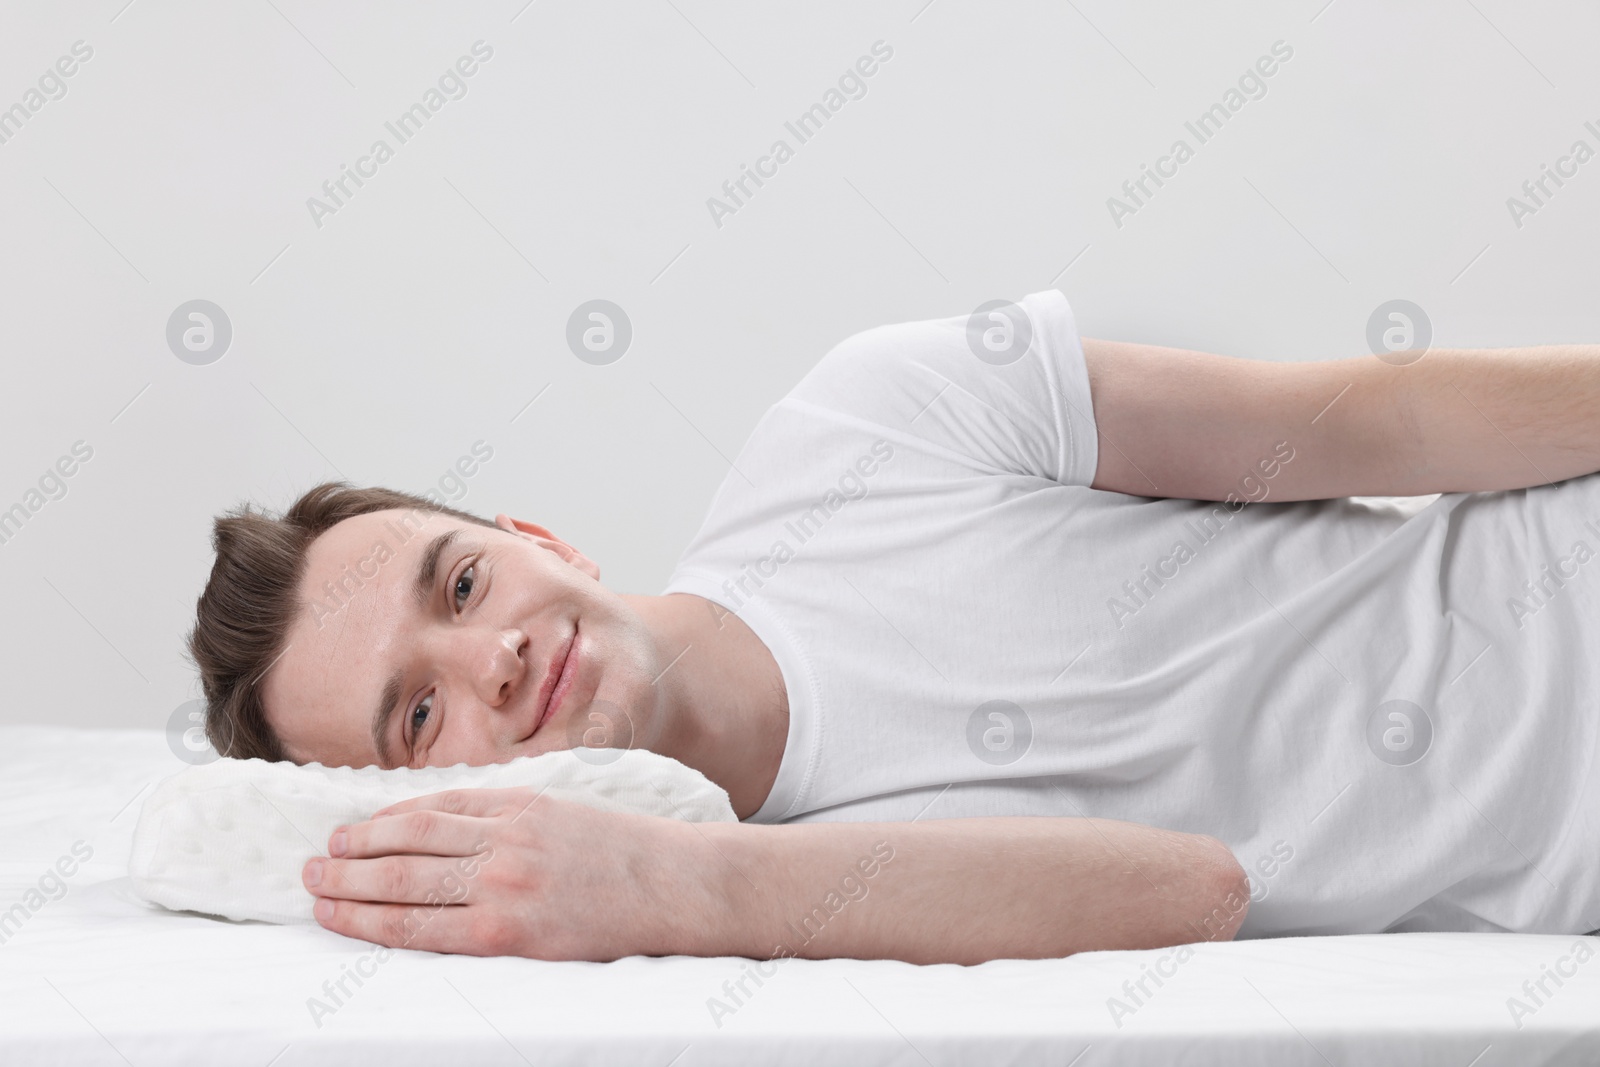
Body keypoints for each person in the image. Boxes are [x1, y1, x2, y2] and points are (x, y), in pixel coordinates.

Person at [187, 289, 1600, 963]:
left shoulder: (871, 421)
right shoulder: (760, 890)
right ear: (441, 810)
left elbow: (1382, 422)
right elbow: (1194, 888)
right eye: (419, 715)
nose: (486, 655)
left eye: (461, 585)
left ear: (538, 542)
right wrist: (677, 887)